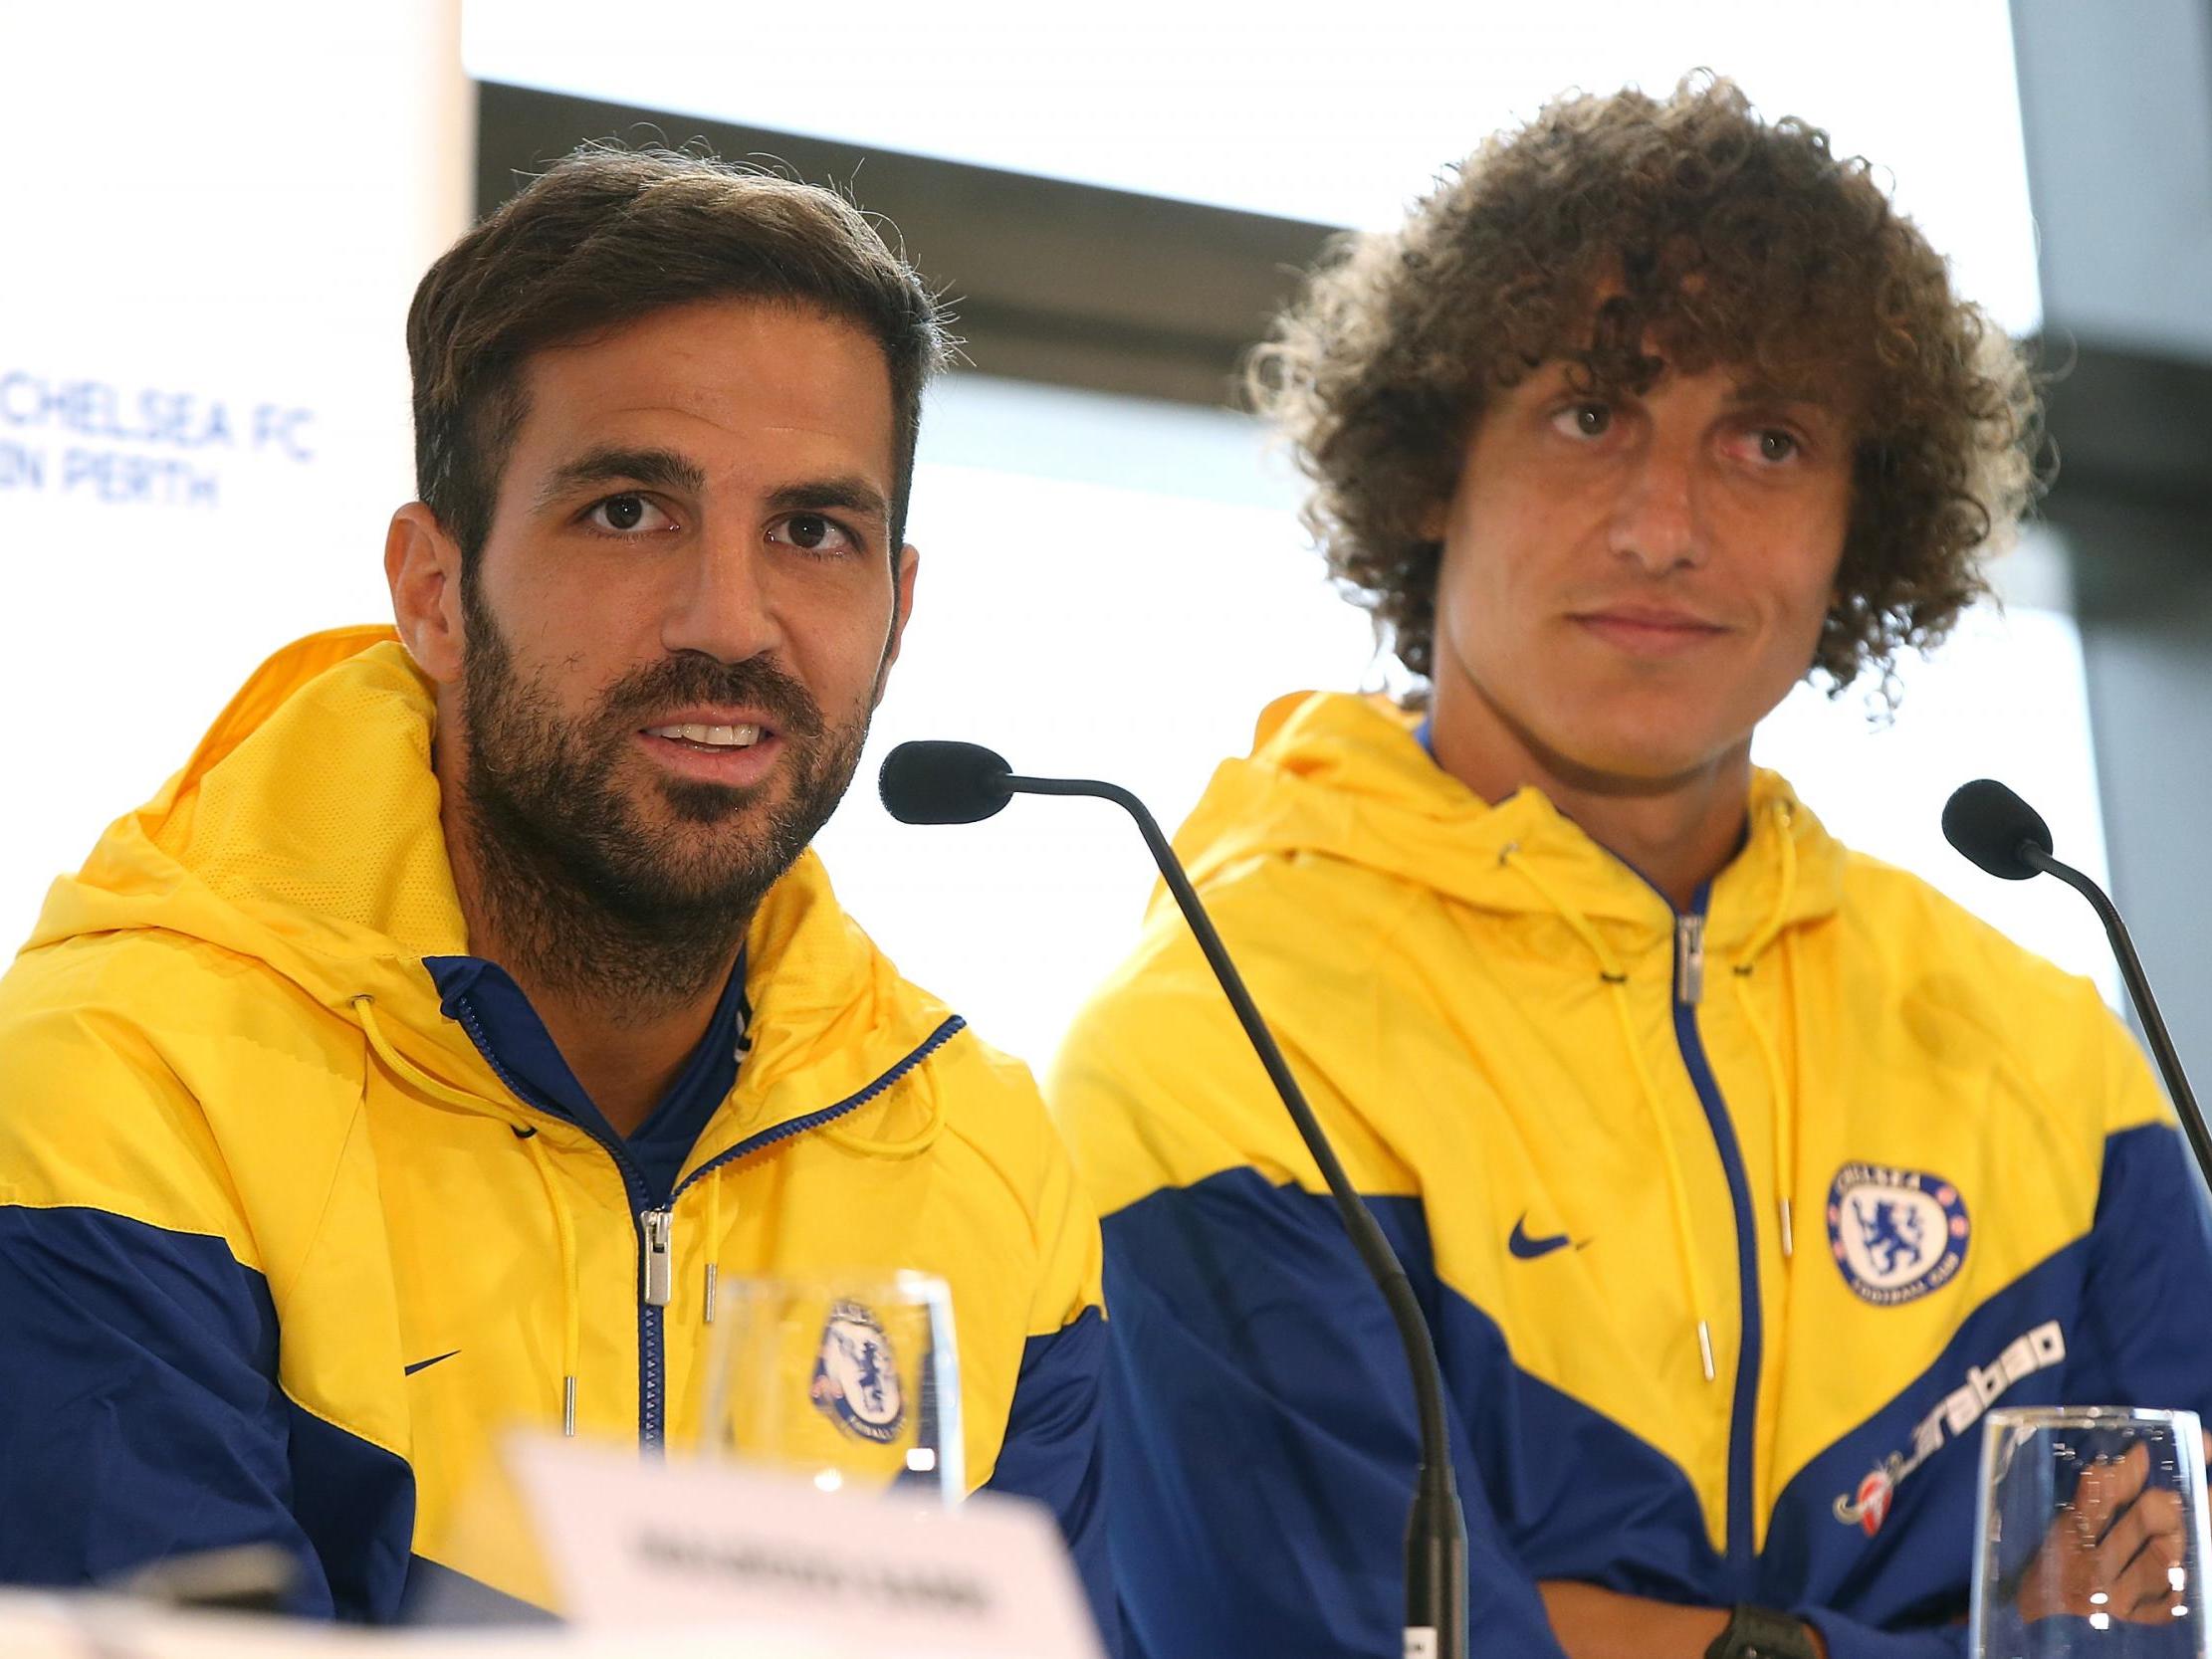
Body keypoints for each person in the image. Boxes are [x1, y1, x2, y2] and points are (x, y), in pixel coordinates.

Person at [1049, 77, 2212, 1659]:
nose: (1665, 527)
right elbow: (1342, 1638)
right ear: (1431, 467)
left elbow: (2171, 1627)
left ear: (1859, 521)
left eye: (1766, 441)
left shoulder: (2048, 1057)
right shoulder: (1217, 1041)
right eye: (1589, 416)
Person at [0, 147, 1112, 1636]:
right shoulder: (117, 1085)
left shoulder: (986, 1160)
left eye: (811, 533)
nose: (731, 621)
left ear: (897, 612)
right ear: (435, 594)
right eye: (628, 512)